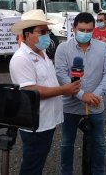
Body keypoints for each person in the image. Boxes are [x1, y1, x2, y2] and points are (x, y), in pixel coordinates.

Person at [9, 10, 81, 175]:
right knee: (31, 167)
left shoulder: (41, 53)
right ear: (27, 35)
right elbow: (30, 91)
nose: (46, 35)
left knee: (37, 164)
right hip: (36, 124)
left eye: (47, 31)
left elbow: (48, 80)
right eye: (41, 32)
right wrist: (63, 90)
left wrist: (66, 86)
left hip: (47, 121)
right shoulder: (21, 59)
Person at [55, 12, 106, 175]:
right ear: (73, 28)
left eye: (89, 30)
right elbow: (61, 76)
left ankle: (98, 172)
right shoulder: (63, 48)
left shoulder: (102, 48)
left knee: (99, 143)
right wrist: (82, 95)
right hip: (70, 106)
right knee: (67, 143)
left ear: (94, 29)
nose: (85, 33)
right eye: (81, 29)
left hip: (95, 104)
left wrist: (94, 94)